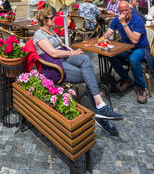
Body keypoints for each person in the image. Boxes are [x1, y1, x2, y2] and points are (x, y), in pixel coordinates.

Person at [33, 8, 123, 136]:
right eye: (51, 17)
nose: (54, 19)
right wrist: (72, 52)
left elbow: (61, 45)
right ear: (44, 20)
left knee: (86, 59)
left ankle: (99, 105)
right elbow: (53, 53)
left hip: (64, 57)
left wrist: (71, 51)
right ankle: (101, 108)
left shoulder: (51, 31)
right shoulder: (39, 34)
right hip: (55, 64)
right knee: (89, 76)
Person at [103, 1, 154, 104]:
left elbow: (134, 40)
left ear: (130, 10)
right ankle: (127, 79)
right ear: (118, 11)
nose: (124, 13)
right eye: (121, 11)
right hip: (125, 47)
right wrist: (104, 38)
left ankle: (140, 87)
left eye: (126, 10)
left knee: (133, 59)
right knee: (110, 55)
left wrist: (123, 23)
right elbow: (109, 32)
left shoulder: (137, 20)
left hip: (140, 47)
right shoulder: (116, 19)